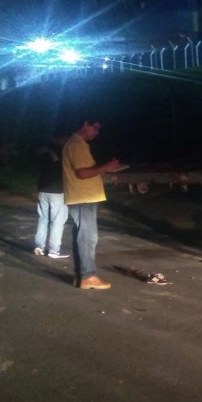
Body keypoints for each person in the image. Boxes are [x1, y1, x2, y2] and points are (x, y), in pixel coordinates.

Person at [62, 116, 124, 290]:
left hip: (84, 197)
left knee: (83, 236)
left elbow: (86, 171)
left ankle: (81, 275)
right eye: (95, 128)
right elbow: (82, 173)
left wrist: (102, 169)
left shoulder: (76, 143)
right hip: (83, 198)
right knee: (87, 238)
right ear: (85, 124)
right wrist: (107, 167)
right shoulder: (77, 144)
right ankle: (88, 276)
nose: (97, 133)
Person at [33, 132, 70, 259]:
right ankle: (54, 250)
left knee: (43, 218)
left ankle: (39, 246)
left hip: (43, 188)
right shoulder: (62, 150)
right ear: (61, 137)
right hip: (58, 189)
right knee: (58, 220)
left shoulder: (42, 149)